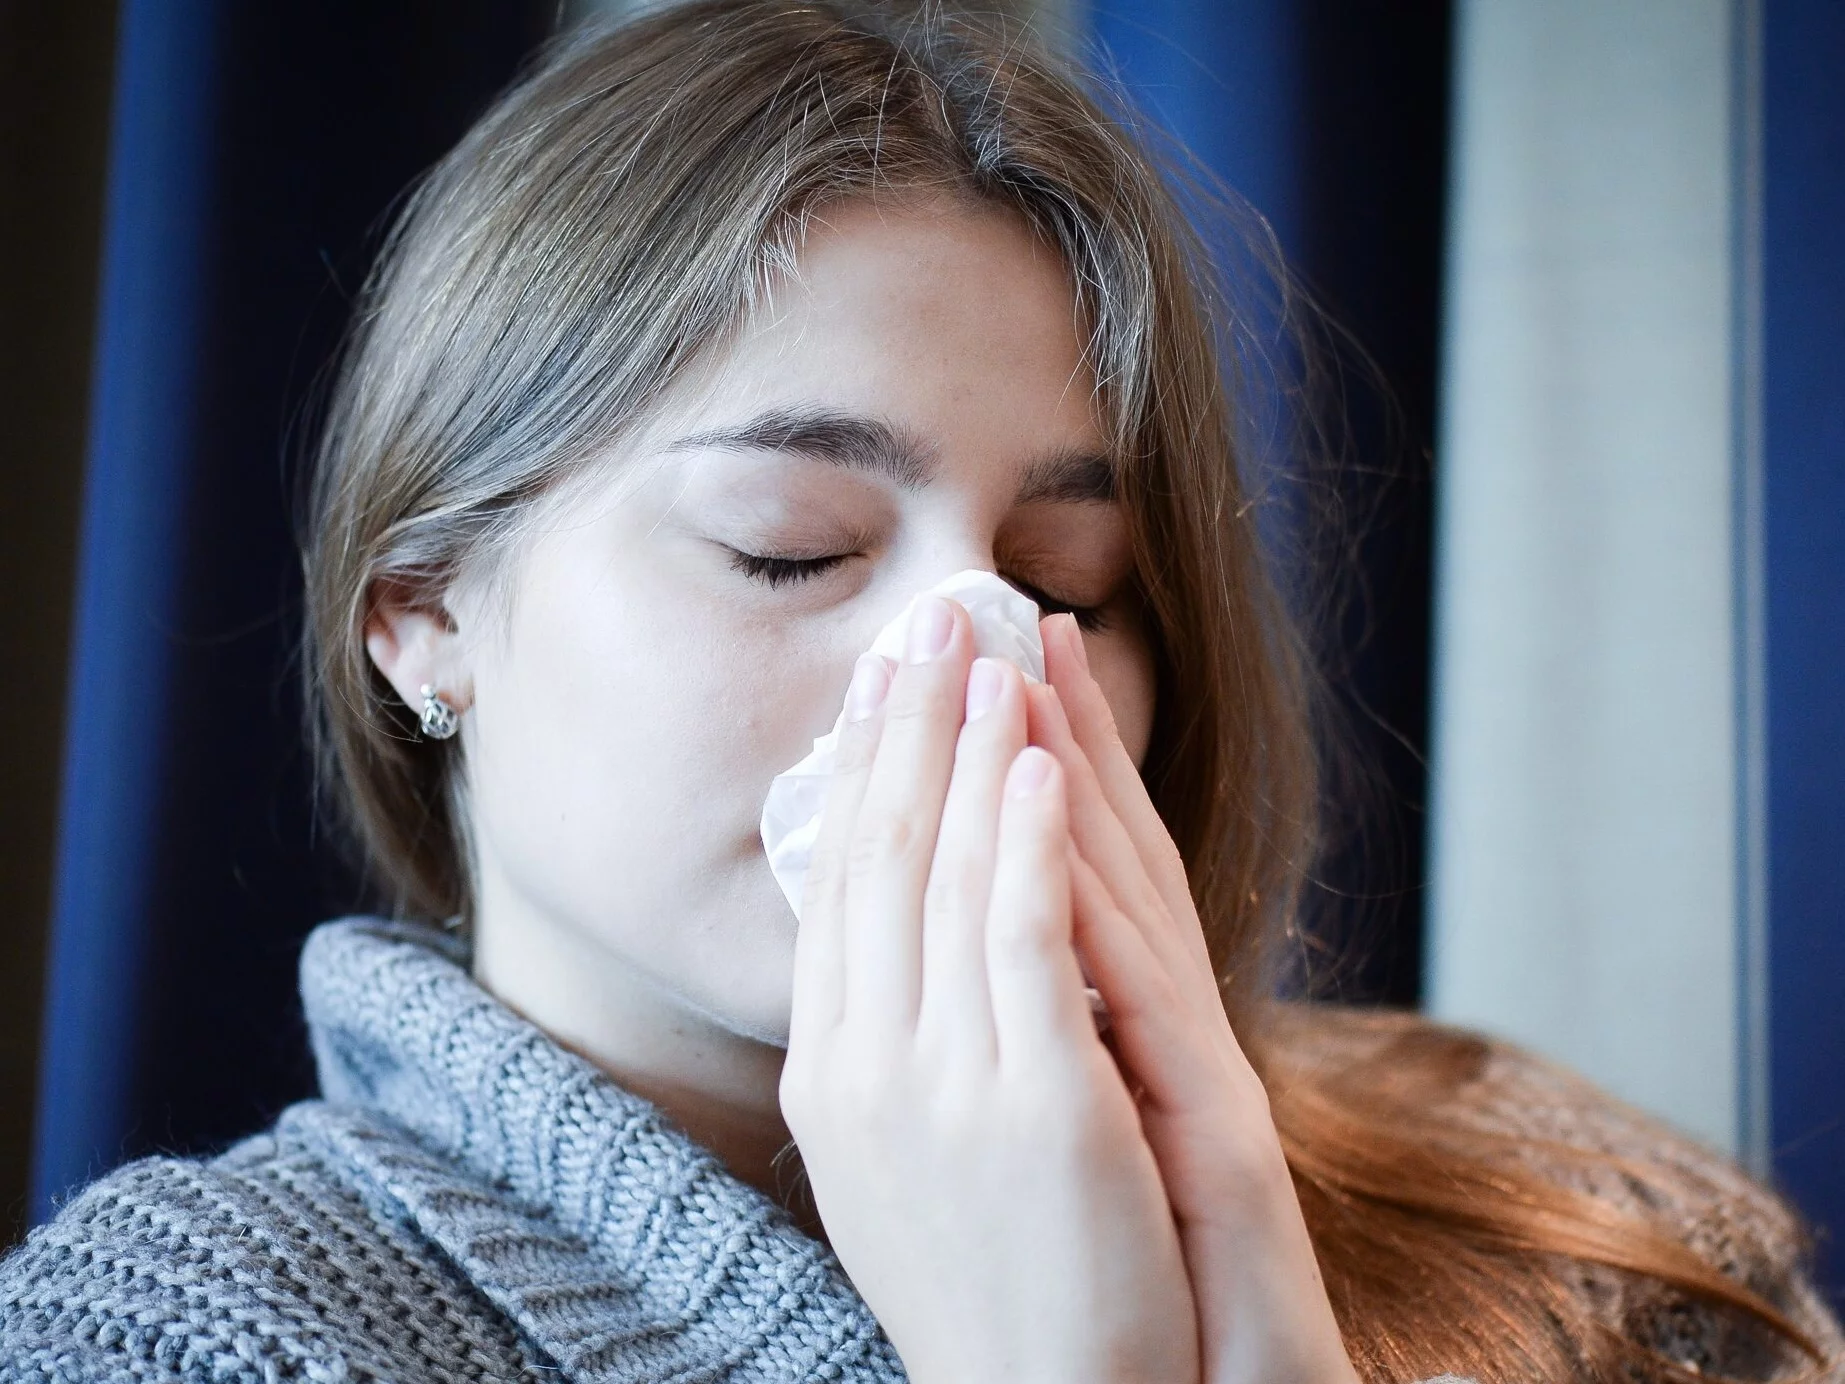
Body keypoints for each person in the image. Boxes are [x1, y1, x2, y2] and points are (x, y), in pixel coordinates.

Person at [2, 3, 1838, 1380]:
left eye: (1068, 587)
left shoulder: (1576, 1221)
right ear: (424, 617)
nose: (973, 665)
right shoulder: (188, 1330)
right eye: (791, 546)